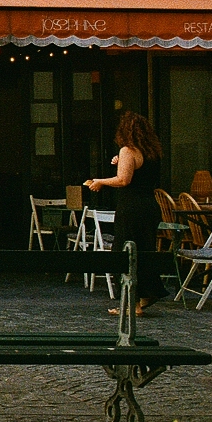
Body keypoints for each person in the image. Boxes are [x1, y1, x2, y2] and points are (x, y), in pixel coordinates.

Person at [86, 110, 166, 316]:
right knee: (144, 250)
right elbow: (138, 173)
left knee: (125, 254)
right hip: (149, 206)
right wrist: (119, 160)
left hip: (132, 208)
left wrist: (100, 181)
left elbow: (124, 180)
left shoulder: (128, 151)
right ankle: (148, 293)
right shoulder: (151, 153)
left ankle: (134, 304)